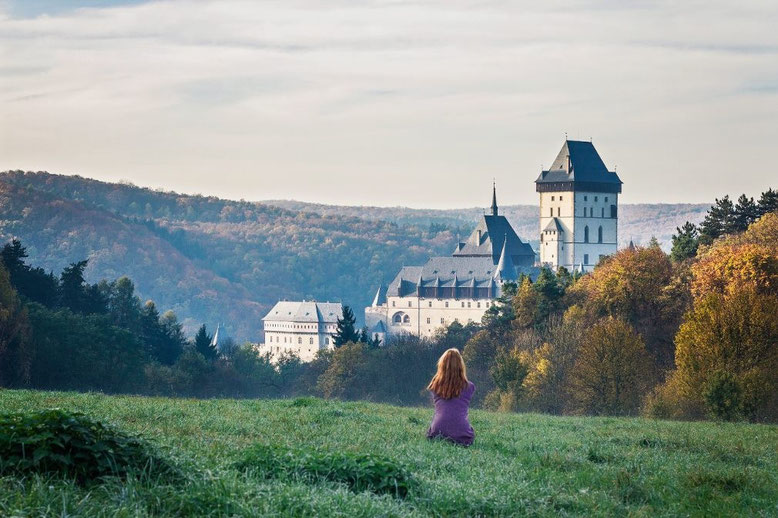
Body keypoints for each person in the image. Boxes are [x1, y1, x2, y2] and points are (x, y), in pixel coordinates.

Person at [426, 348, 475, 446]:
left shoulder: (434, 386)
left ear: (442, 366)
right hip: (462, 433)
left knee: (430, 432)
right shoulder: (469, 387)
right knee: (470, 432)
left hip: (437, 432)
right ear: (461, 367)